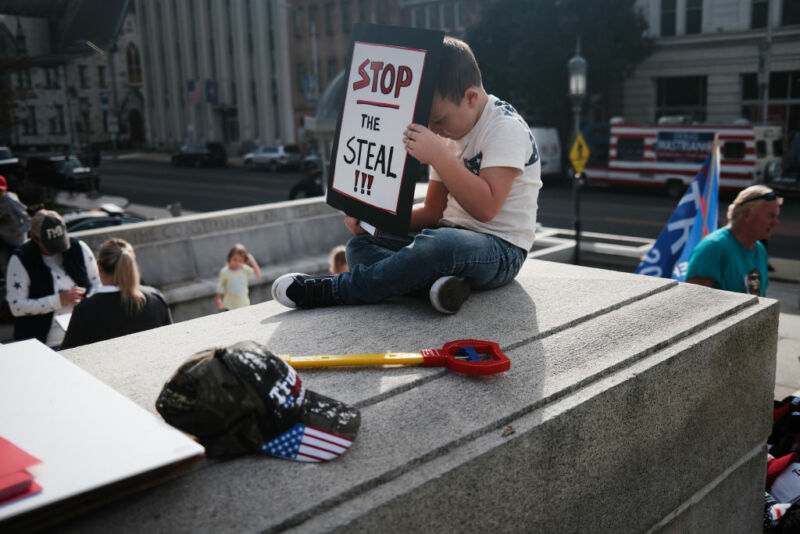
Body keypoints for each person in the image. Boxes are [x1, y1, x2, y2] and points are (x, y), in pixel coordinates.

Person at [272, 36, 541, 314]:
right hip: (447, 239)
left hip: (501, 250)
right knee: (360, 247)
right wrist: (375, 221)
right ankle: (442, 288)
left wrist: (439, 156)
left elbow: (487, 208)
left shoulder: (505, 129)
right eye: (430, 121)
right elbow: (434, 212)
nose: (435, 130)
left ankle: (336, 289)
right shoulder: (448, 136)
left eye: (439, 120)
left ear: (471, 97)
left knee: (440, 245)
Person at [6, 209, 100, 347]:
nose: (58, 250)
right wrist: (58, 300)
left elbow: (97, 285)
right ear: (35, 238)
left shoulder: (78, 248)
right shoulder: (21, 259)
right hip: (43, 342)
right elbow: (16, 306)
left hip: (82, 334)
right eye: (50, 245)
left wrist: (84, 300)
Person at [61, 238, 172, 349]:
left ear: (99, 267)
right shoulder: (156, 298)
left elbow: (68, 355)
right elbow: (171, 343)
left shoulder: (85, 310)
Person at [686, 185, 781, 296]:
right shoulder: (714, 247)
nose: (775, 222)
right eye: (770, 216)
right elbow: (692, 302)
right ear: (747, 215)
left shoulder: (760, 249)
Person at [216, 243, 261, 311]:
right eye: (234, 259)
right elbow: (220, 286)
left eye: (240, 261)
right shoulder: (225, 272)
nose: (237, 263)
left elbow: (258, 275)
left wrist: (252, 261)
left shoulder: (244, 269)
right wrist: (219, 301)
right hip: (229, 307)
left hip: (244, 305)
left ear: (244, 261)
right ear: (229, 258)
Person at [0, 175, 31, 273]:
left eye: (0, 192)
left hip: (16, 240)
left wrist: (20, 230)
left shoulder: (11, 201)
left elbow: (29, 218)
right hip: (3, 238)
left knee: (17, 264)